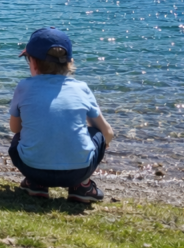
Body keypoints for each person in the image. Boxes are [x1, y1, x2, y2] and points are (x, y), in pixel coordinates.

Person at [8, 27, 114, 203]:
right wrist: (101, 142)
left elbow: (14, 128)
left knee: (20, 136)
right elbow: (107, 132)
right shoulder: (81, 88)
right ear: (70, 62)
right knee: (97, 134)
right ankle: (82, 186)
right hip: (78, 172)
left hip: (32, 169)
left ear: (32, 62)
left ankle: (36, 184)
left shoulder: (23, 87)